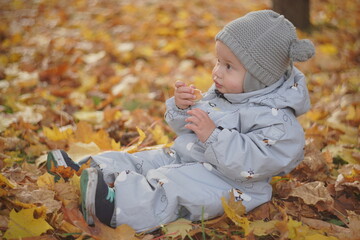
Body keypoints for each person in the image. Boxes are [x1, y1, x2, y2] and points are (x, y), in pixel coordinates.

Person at [46, 10, 315, 232]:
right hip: (185, 155)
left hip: (231, 184)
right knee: (145, 160)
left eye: (228, 66)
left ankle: (115, 207)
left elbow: (255, 163)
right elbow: (188, 128)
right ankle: (87, 171)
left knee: (170, 186)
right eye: (218, 61)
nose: (216, 72)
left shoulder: (279, 123)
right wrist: (181, 107)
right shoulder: (227, 92)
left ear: (259, 77)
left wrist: (214, 136)